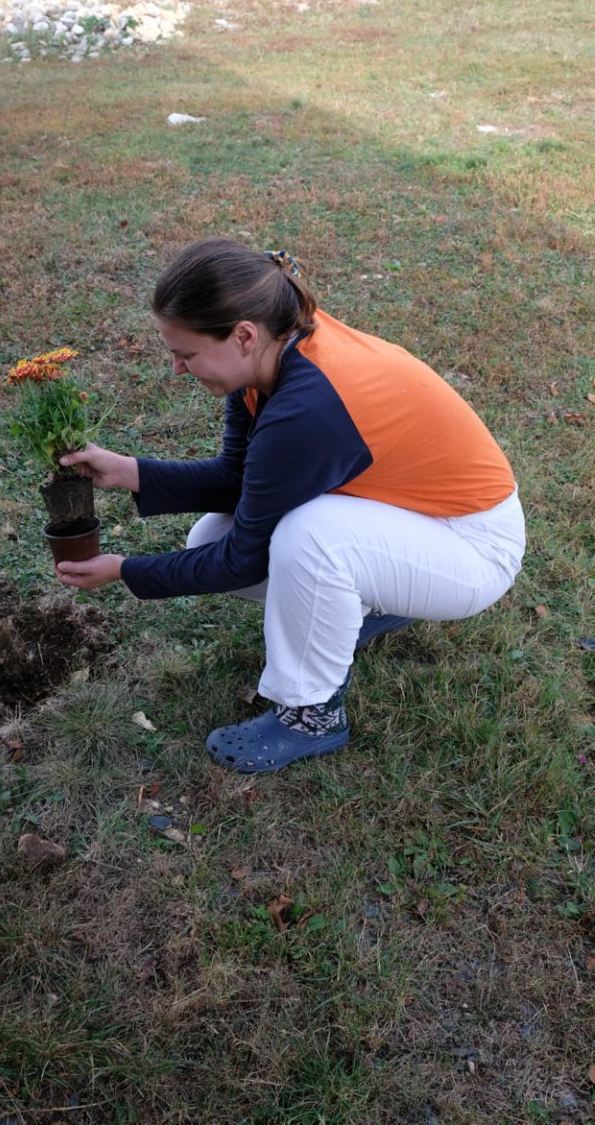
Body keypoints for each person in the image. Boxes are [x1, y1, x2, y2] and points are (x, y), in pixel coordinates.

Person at [55, 238, 526, 774]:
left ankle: (312, 716)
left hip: (472, 547)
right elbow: (241, 480)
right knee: (207, 538)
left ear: (243, 335)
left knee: (310, 536)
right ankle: (371, 604)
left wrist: (123, 571)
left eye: (186, 354)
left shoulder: (308, 408)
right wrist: (129, 471)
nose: (177, 371)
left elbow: (245, 560)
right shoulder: (272, 355)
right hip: (413, 522)